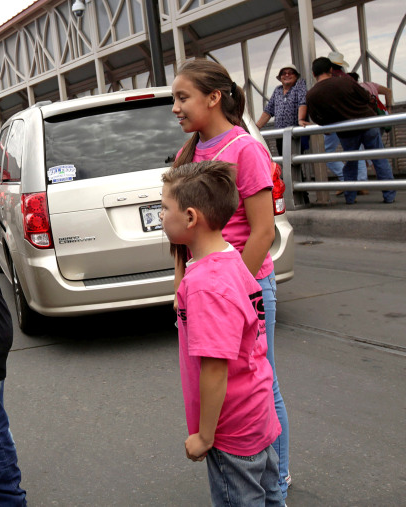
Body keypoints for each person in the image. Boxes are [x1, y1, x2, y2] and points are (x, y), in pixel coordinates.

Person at [170, 58, 292, 499]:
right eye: (175, 99)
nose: (175, 108)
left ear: (214, 97)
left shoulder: (245, 148)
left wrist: (231, 290)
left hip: (245, 286)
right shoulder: (192, 151)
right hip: (212, 287)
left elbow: (262, 230)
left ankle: (273, 477)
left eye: (183, 98)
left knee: (261, 383)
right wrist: (181, 283)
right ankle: (265, 479)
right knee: (241, 379)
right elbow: (187, 234)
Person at [161, 159, 283, 506]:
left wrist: (205, 435)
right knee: (271, 496)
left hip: (232, 428)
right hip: (259, 413)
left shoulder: (205, 286)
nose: (160, 216)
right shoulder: (232, 259)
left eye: (164, 207)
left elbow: (215, 368)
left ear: (190, 218)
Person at [306, 57, 396, 204]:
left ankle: (350, 197)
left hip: (346, 131)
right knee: (379, 158)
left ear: (313, 73)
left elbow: (317, 118)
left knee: (351, 163)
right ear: (330, 70)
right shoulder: (345, 81)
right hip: (368, 123)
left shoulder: (312, 94)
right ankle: (389, 195)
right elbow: (366, 97)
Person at [324, 51, 367, 188]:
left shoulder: (327, 81)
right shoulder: (348, 79)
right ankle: (361, 182)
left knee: (328, 153)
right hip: (353, 119)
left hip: (334, 120)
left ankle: (346, 181)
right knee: (357, 151)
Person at [255, 63, 310, 154]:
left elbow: (302, 102)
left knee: (294, 162)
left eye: (290, 73)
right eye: (283, 73)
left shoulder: (299, 87)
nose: (287, 75)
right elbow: (268, 111)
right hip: (280, 134)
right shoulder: (278, 90)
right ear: (280, 77)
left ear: (296, 76)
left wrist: (301, 119)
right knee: (285, 163)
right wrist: (256, 128)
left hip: (294, 134)